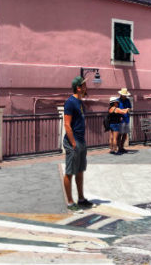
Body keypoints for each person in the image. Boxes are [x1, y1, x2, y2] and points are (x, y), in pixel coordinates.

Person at [63, 76, 92, 211]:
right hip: (73, 141)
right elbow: (67, 125)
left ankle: (81, 199)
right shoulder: (70, 102)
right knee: (70, 172)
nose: (86, 87)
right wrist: (73, 143)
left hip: (81, 140)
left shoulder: (80, 102)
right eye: (84, 85)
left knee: (80, 171)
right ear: (78, 88)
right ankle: (70, 202)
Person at [117, 88, 133, 153]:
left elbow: (130, 108)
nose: (125, 96)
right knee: (119, 134)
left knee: (125, 134)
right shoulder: (117, 101)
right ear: (121, 95)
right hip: (120, 120)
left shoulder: (127, 100)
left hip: (126, 119)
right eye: (124, 95)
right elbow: (115, 110)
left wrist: (128, 110)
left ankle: (122, 147)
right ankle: (119, 148)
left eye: (125, 95)